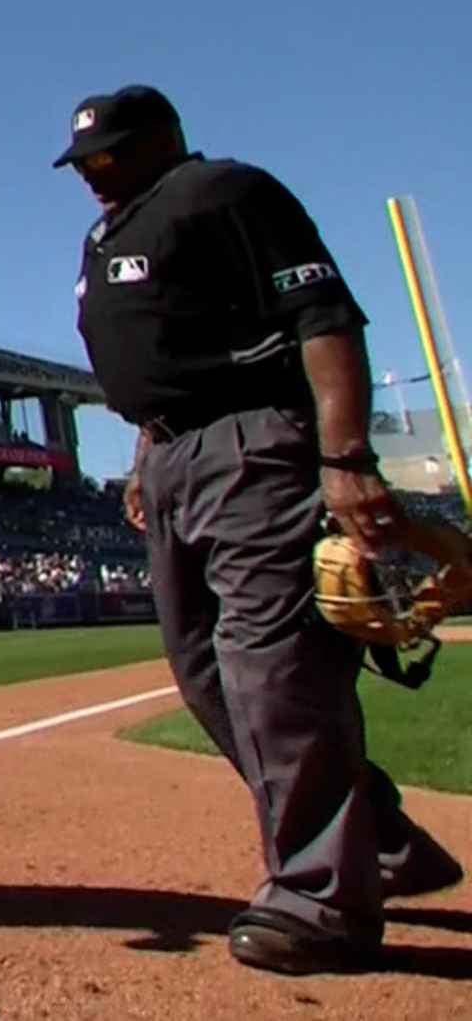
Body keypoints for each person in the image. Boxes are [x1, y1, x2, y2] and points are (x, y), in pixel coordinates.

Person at [58, 86, 460, 973]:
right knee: (205, 676)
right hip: (168, 460)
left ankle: (322, 901)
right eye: (86, 160)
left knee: (274, 672)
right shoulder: (107, 235)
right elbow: (159, 355)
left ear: (164, 139)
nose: (95, 172)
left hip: (252, 445)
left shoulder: (226, 192)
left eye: (112, 153)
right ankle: (383, 843)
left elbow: (324, 317)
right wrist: (142, 453)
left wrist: (346, 455)